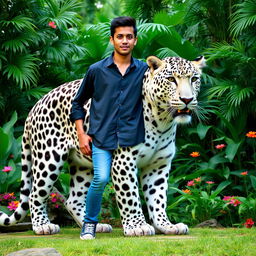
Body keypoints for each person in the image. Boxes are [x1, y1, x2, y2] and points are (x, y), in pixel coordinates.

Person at [70, 16, 148, 240]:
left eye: (129, 37)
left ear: (135, 40)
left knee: (134, 179)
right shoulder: (97, 70)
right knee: (101, 178)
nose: (125, 41)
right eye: (120, 37)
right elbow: (78, 103)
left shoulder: (143, 71)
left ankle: (136, 223)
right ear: (112, 39)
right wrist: (82, 134)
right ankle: (89, 224)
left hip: (131, 139)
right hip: (101, 137)